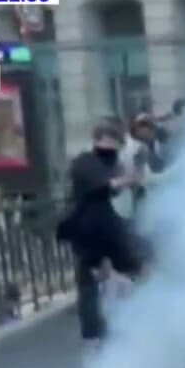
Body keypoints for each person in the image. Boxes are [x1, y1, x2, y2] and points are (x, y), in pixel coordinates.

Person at [57, 122, 144, 343]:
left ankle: (111, 323)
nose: (113, 147)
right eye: (112, 141)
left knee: (120, 271)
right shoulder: (85, 161)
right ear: (102, 138)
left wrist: (124, 181)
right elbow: (101, 186)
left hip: (103, 226)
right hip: (88, 229)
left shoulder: (103, 162)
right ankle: (95, 331)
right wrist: (127, 180)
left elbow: (109, 191)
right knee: (90, 279)